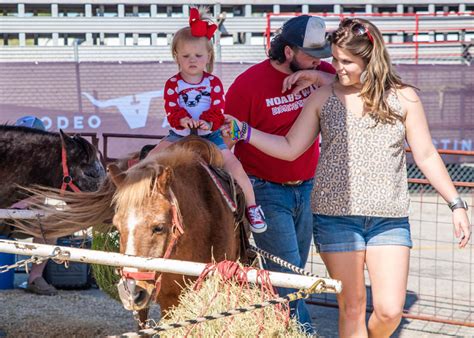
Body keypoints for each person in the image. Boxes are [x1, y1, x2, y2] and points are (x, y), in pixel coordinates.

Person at [223, 18, 472, 337]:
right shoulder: (323, 96)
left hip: (389, 219)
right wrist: (243, 131)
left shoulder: (404, 98)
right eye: (334, 60)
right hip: (334, 218)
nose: (335, 67)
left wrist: (456, 204)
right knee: (350, 306)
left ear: (370, 60)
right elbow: (289, 147)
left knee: (390, 310)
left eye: (345, 61)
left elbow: (425, 155)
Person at [224, 15, 336, 332]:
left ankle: (273, 326)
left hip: (308, 186)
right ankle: (304, 332)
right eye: (311, 55)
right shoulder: (248, 84)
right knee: (289, 276)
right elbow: (227, 139)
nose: (318, 61)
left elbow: (356, 85)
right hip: (265, 190)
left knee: (291, 269)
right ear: (288, 51)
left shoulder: (319, 73)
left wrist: (316, 76)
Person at [148, 7, 267, 233]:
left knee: (235, 166)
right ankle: (141, 202)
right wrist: (182, 120)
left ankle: (252, 207)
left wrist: (206, 122)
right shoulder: (173, 84)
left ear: (208, 57)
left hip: (210, 134)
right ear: (176, 57)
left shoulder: (213, 83)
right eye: (186, 56)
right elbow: (171, 109)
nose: (192, 60)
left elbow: (216, 108)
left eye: (198, 56)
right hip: (179, 134)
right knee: (150, 159)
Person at [12, 116, 58, 296]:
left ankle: (35, 278)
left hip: (25, 216)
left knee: (52, 224)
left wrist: (22, 206)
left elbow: (44, 195)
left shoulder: (46, 163)